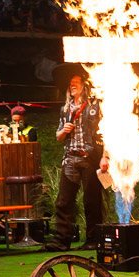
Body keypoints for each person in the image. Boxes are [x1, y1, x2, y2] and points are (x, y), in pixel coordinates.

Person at [45, 64, 110, 252]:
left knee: (92, 201)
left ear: (84, 86)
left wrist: (104, 157)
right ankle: (61, 240)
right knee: (63, 201)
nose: (72, 86)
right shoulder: (65, 109)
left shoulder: (95, 107)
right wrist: (62, 132)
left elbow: (107, 132)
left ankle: (93, 240)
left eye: (76, 83)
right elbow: (58, 137)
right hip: (71, 158)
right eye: (70, 84)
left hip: (91, 158)